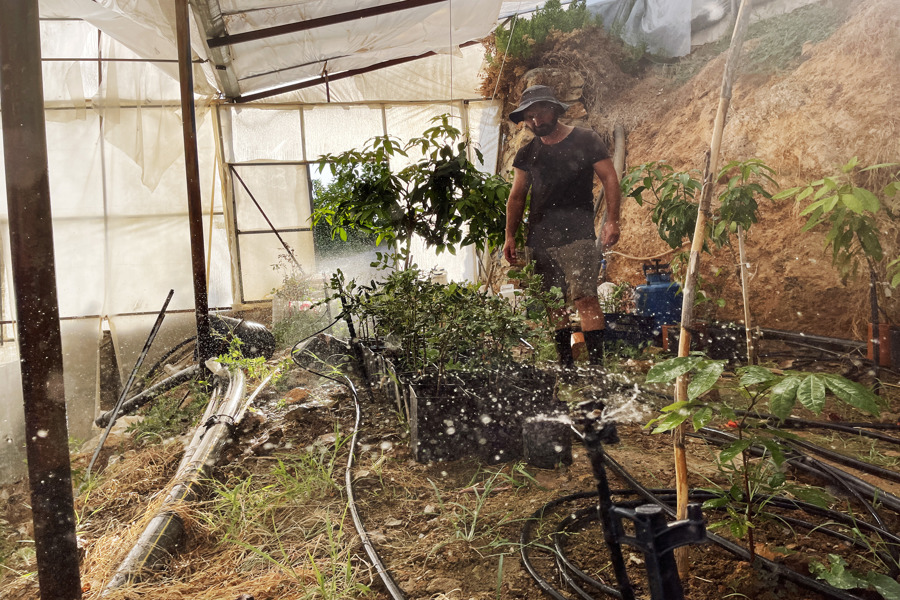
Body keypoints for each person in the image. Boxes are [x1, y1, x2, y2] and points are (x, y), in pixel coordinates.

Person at [502, 85, 621, 368]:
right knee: (553, 303)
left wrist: (612, 220)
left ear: (554, 109)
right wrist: (510, 236)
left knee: (586, 299)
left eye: (540, 113)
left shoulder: (585, 139)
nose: (535, 121)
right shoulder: (526, 154)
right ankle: (565, 366)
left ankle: (597, 369)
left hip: (577, 235)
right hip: (539, 238)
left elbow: (610, 179)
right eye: (529, 117)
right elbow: (517, 196)